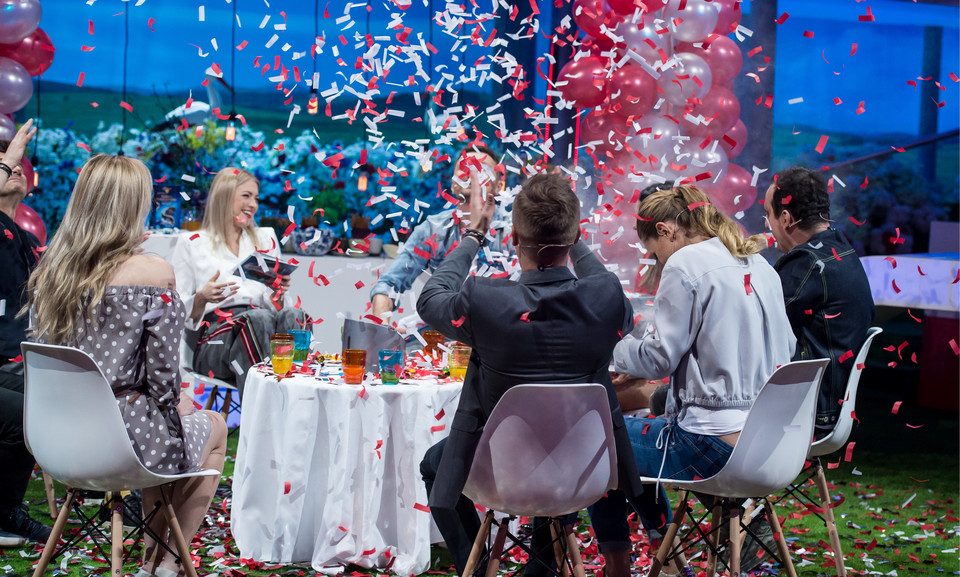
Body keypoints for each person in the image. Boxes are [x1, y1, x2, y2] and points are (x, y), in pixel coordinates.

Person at [416, 171, 645, 576]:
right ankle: (541, 567)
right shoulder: (607, 297)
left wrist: (474, 234)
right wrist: (574, 240)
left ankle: (480, 562)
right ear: (574, 237)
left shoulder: (484, 300)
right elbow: (603, 284)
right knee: (555, 446)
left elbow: (431, 298)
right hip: (581, 472)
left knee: (435, 465)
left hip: (501, 474)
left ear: (515, 239)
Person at [26, 154, 228, 577]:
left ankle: (156, 563)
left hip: (54, 442)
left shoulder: (49, 275)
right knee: (210, 426)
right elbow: (163, 380)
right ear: (135, 206)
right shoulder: (154, 274)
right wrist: (177, 407)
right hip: (124, 445)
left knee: (163, 419)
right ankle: (164, 563)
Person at [611, 185, 796, 576]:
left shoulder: (686, 263)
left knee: (602, 437)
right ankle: (670, 555)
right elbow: (789, 347)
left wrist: (610, 349)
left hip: (711, 448)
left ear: (666, 231)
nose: (654, 261)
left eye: (652, 251)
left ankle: (634, 564)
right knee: (628, 431)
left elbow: (660, 357)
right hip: (772, 448)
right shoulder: (759, 263)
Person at [171, 167, 304, 399]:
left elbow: (280, 310)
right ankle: (266, 411)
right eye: (246, 196)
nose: (253, 204)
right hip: (215, 342)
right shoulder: (192, 243)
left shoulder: (265, 239)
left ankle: (296, 402)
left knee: (295, 315)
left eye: (256, 198)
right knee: (258, 319)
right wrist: (201, 298)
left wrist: (278, 293)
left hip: (263, 328)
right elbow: (175, 310)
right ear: (224, 196)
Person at [764, 167, 875, 437]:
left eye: (768, 214)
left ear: (786, 218)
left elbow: (759, 326)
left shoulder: (806, 263)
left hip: (805, 412)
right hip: (830, 407)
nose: (767, 224)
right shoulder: (841, 249)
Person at [369, 144, 513, 330]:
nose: (473, 173)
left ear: (499, 186)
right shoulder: (432, 229)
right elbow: (389, 284)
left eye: (482, 169)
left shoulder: (512, 231)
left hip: (496, 339)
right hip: (441, 339)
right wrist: (382, 328)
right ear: (453, 184)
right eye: (465, 167)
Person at [0, 120, 52, 548]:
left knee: (76, 391)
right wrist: (9, 156)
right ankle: (4, 514)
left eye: (17, 167)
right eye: (4, 167)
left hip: (17, 359)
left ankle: (104, 488)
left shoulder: (22, 236)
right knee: (29, 412)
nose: (15, 169)